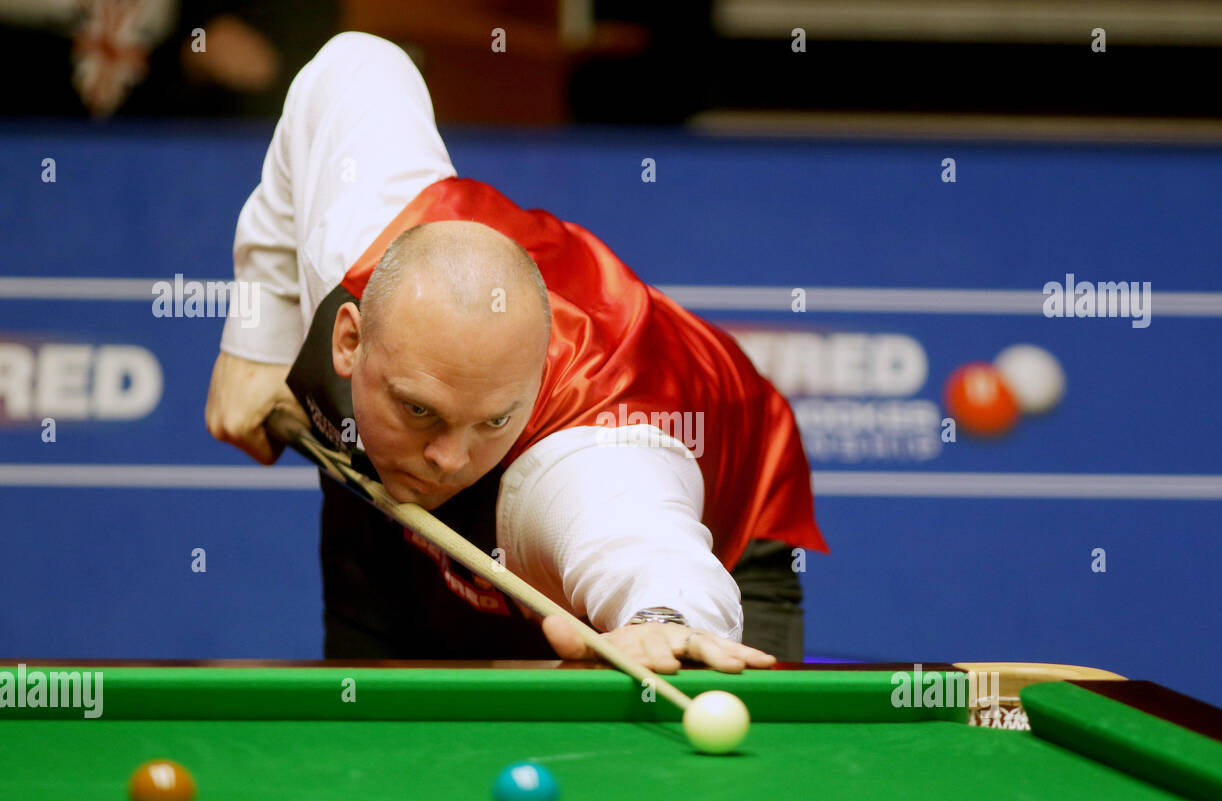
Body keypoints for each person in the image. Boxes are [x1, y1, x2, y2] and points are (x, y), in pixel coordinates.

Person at [205, 32, 827, 673]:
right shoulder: (362, 232)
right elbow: (353, 65)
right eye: (419, 410)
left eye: (493, 420)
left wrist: (662, 618)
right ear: (349, 338)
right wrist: (257, 341)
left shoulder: (588, 466)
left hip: (723, 524)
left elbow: (640, 540)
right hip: (381, 513)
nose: (448, 460)